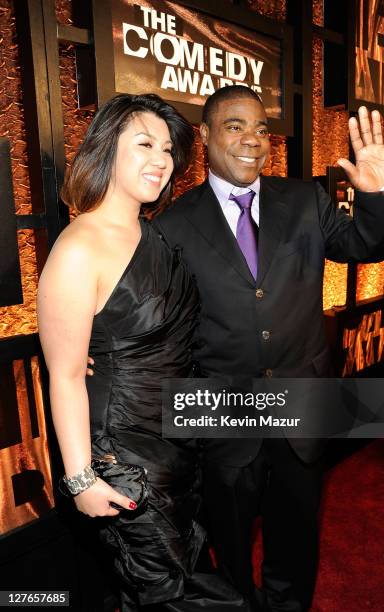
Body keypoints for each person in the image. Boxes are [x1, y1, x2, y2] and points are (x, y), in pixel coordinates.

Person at [152, 85, 384, 611]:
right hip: (222, 415)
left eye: (261, 129)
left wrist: (381, 196)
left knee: (296, 537)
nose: (253, 140)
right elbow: (166, 332)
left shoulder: (305, 199)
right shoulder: (171, 225)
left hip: (302, 404)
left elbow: (366, 245)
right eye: (235, 126)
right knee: (231, 543)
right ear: (206, 136)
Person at [37, 93, 249, 611]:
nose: (162, 159)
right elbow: (64, 376)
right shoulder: (78, 246)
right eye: (145, 144)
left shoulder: (154, 236)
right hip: (123, 457)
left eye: (169, 149)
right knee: (171, 591)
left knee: (169, 578)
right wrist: (81, 478)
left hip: (175, 442)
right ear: (107, 148)